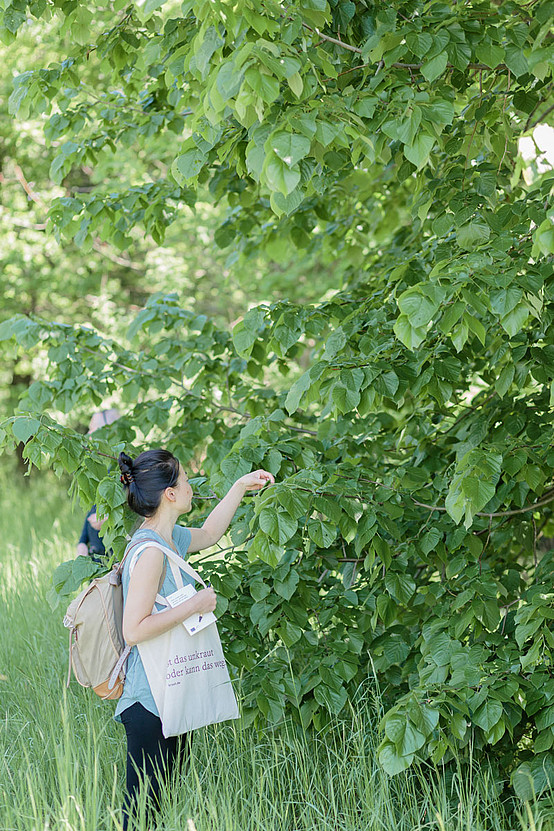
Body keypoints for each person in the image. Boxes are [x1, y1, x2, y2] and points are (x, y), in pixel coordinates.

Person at [115, 448, 274, 829]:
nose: (189, 486)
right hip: (150, 701)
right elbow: (133, 630)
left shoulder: (169, 539)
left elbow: (210, 533)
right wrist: (196, 604)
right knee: (140, 816)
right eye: (184, 480)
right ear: (169, 494)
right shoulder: (151, 551)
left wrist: (241, 486)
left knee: (157, 809)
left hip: (172, 691)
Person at [76, 409, 121, 561]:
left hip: (114, 558)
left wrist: (109, 521)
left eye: (94, 428)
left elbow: (135, 513)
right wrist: (82, 542)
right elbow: (92, 509)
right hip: (94, 554)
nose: (89, 433)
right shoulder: (96, 467)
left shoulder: (123, 468)